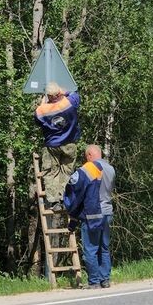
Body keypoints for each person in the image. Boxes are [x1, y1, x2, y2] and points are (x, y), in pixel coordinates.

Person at [64, 144, 115, 289]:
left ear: (89, 155)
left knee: (90, 249)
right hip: (107, 211)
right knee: (104, 248)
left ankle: (94, 281)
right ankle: (105, 280)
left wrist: (70, 209)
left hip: (93, 214)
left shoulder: (88, 168)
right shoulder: (111, 169)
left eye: (86, 157)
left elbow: (76, 191)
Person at [34, 82, 81, 209]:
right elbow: (75, 94)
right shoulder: (70, 102)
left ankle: (55, 202)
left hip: (52, 145)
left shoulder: (41, 110)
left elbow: (37, 120)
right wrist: (64, 91)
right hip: (70, 143)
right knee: (67, 171)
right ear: (59, 92)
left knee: (51, 172)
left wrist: (43, 104)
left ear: (48, 95)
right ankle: (64, 199)